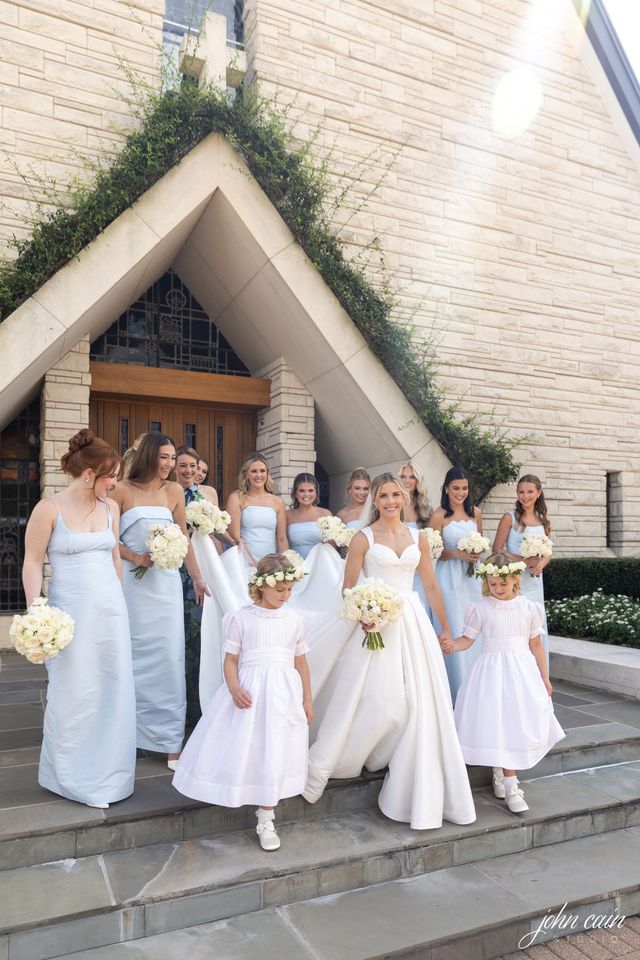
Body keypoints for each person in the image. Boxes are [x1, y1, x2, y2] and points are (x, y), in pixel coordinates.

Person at [303, 473, 476, 830]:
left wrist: (445, 626)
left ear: (405, 497)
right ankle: (366, 750)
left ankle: (404, 756)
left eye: (396, 494)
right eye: (383, 495)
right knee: (381, 699)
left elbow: (429, 584)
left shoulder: (419, 538)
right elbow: (348, 587)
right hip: (376, 621)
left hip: (411, 621)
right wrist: (364, 614)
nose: (390, 501)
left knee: (420, 697)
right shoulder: (363, 538)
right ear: (375, 501)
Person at [22, 429, 136, 808]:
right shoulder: (48, 508)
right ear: (90, 475)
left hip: (109, 613)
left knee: (111, 688)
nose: (115, 484)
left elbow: (115, 558)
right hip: (68, 614)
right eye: (111, 477)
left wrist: (120, 603)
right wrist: (36, 607)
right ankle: (68, 776)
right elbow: (33, 562)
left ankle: (110, 773)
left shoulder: (111, 508)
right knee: (75, 692)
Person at [173, 553, 312, 851]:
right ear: (261, 586)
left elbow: (301, 663)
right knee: (250, 746)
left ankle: (266, 816)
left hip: (283, 694)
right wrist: (234, 688)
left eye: (289, 590)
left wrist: (307, 700)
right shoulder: (240, 617)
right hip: (250, 691)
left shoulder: (296, 620)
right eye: (280, 590)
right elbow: (231, 660)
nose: (285, 596)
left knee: (275, 747)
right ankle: (239, 789)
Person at [112, 433, 209, 769]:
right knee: (133, 657)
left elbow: (183, 539)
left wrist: (197, 576)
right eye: (164, 457)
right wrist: (135, 558)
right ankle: (129, 735)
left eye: (173, 458)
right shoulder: (121, 489)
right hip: (133, 588)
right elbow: (109, 540)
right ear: (150, 456)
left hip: (165, 587)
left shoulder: (174, 492)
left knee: (169, 659)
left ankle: (170, 742)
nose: (169, 464)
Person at [443, 552, 564, 813]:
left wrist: (544, 677)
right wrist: (453, 645)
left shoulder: (529, 608)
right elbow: (468, 639)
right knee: (496, 721)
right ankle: (509, 783)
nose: (498, 589)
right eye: (493, 583)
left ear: (515, 580)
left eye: (503, 583)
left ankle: (503, 774)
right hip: (490, 672)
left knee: (514, 722)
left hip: (521, 672)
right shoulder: (481, 607)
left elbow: (536, 645)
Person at [175, 445, 235, 726]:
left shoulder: (208, 493)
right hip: (179, 566)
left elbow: (217, 527)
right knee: (183, 631)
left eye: (193, 466)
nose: (189, 471)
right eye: (183, 465)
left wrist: (233, 544)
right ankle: (184, 703)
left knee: (206, 627)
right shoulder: (168, 491)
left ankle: (204, 700)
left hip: (207, 564)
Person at [428, 466, 484, 701]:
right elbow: (432, 550)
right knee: (454, 623)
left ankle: (478, 686)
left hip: (472, 578)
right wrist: (458, 555)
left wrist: (476, 553)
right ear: (446, 489)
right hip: (448, 578)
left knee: (474, 625)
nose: (460, 493)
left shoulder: (476, 513)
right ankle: (454, 688)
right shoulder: (439, 515)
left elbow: (481, 541)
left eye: (464, 488)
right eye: (455, 488)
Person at [492, 474, 552, 662]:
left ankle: (537, 674)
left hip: (535, 582)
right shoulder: (510, 518)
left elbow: (548, 552)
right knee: (516, 626)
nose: (525, 496)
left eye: (530, 492)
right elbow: (496, 550)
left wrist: (541, 564)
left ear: (539, 492)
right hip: (515, 581)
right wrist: (523, 561)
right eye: (521, 492)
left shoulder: (543, 520)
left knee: (534, 626)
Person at [226, 453, 288, 565]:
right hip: (244, 560)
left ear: (267, 473)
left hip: (270, 562)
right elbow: (235, 537)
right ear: (246, 474)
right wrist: (253, 562)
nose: (258, 475)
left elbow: (281, 538)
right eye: (254, 471)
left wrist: (284, 565)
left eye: (262, 471)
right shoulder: (236, 498)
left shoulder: (277, 502)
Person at [398, 462, 433, 612]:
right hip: (398, 564)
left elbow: (432, 535)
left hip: (419, 565)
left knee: (420, 605)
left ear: (418, 480)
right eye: (403, 477)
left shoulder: (426, 507)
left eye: (412, 477)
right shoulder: (393, 504)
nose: (407, 480)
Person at [286, 472, 332, 559]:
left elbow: (333, 544)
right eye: (302, 490)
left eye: (310, 490)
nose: (306, 494)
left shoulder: (326, 514)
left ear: (316, 493)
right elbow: (281, 541)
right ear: (295, 493)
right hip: (295, 568)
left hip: (321, 563)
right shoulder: (287, 515)